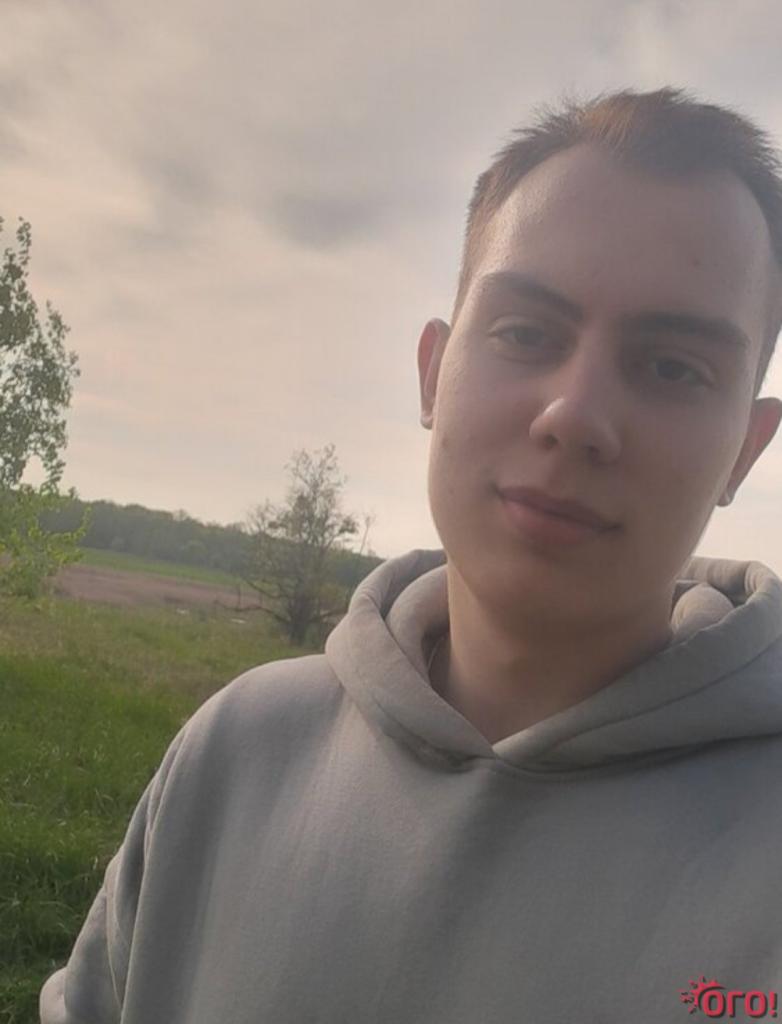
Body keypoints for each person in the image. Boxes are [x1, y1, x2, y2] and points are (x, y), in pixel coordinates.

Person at [41, 87, 782, 1024]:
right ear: (434, 373)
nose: (574, 415)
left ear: (745, 450)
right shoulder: (234, 749)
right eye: (526, 333)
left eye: (672, 366)